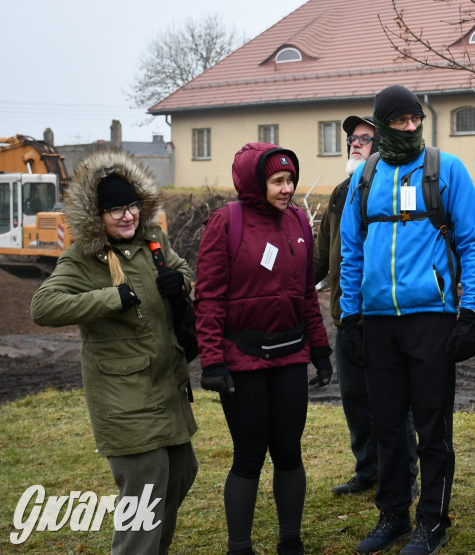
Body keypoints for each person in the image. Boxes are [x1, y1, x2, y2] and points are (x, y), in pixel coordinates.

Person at [339, 85, 475, 555]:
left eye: (415, 119)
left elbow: (473, 243)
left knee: (432, 427)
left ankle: (433, 521)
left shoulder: (446, 170)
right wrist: (350, 319)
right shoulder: (365, 178)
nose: (410, 127)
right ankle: (393, 516)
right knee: (387, 425)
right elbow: (350, 252)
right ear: (383, 124)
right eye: (400, 121)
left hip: (432, 319)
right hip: (378, 323)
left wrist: (470, 314)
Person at [31, 150, 197, 555]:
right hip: (123, 395)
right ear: (96, 215)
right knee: (144, 490)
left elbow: (184, 270)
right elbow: (43, 306)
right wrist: (112, 297)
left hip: (165, 386)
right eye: (115, 209)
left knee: (181, 471)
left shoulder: (152, 242)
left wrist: (181, 282)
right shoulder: (82, 258)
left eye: (132, 206)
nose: (127, 216)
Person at [194, 142, 332, 555]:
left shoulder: (298, 223)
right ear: (256, 183)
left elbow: (307, 293)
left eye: (290, 179)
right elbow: (209, 297)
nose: (287, 188)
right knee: (250, 454)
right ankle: (240, 546)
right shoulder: (226, 222)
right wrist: (213, 360)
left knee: (289, 451)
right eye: (277, 181)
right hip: (243, 359)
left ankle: (290, 540)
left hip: (290, 354)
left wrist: (321, 350)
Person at [313, 115, 418, 498]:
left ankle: (403, 475)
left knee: (392, 404)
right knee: (356, 400)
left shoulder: (397, 186)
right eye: (352, 139)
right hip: (346, 317)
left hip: (385, 316)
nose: (355, 144)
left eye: (364, 138)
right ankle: (368, 470)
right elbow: (321, 256)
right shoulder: (341, 192)